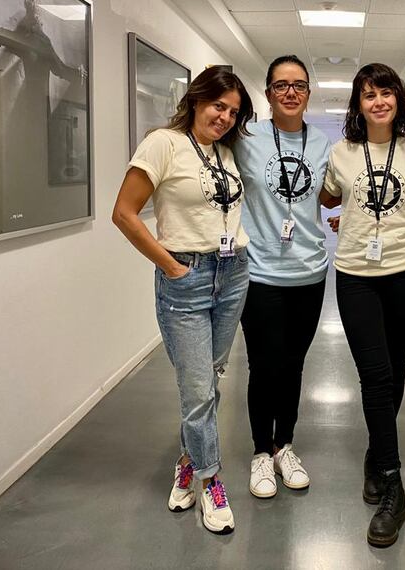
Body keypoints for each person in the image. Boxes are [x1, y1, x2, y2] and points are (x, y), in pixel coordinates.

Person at [112, 66, 253, 535]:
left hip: (233, 273)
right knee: (196, 390)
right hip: (187, 278)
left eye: (233, 112)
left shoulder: (225, 152)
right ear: (196, 100)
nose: (225, 117)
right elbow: (124, 213)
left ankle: (188, 460)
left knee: (208, 382)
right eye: (218, 106)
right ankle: (212, 481)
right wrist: (171, 265)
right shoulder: (162, 143)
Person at [319, 63, 405, 548]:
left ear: (398, 100)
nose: (378, 101)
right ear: (358, 105)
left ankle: (373, 454)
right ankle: (393, 481)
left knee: (396, 367)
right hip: (356, 276)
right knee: (375, 373)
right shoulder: (342, 151)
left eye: (386, 92)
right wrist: (356, 219)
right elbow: (326, 197)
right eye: (368, 94)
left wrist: (385, 223)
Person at [233, 55, 332, 498]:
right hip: (260, 274)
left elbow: (332, 195)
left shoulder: (322, 143)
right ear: (268, 92)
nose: (290, 92)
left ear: (308, 93)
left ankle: (283, 445)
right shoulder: (245, 137)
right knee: (262, 366)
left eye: (298, 85)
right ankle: (259, 452)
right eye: (280, 85)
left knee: (293, 365)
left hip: (310, 274)